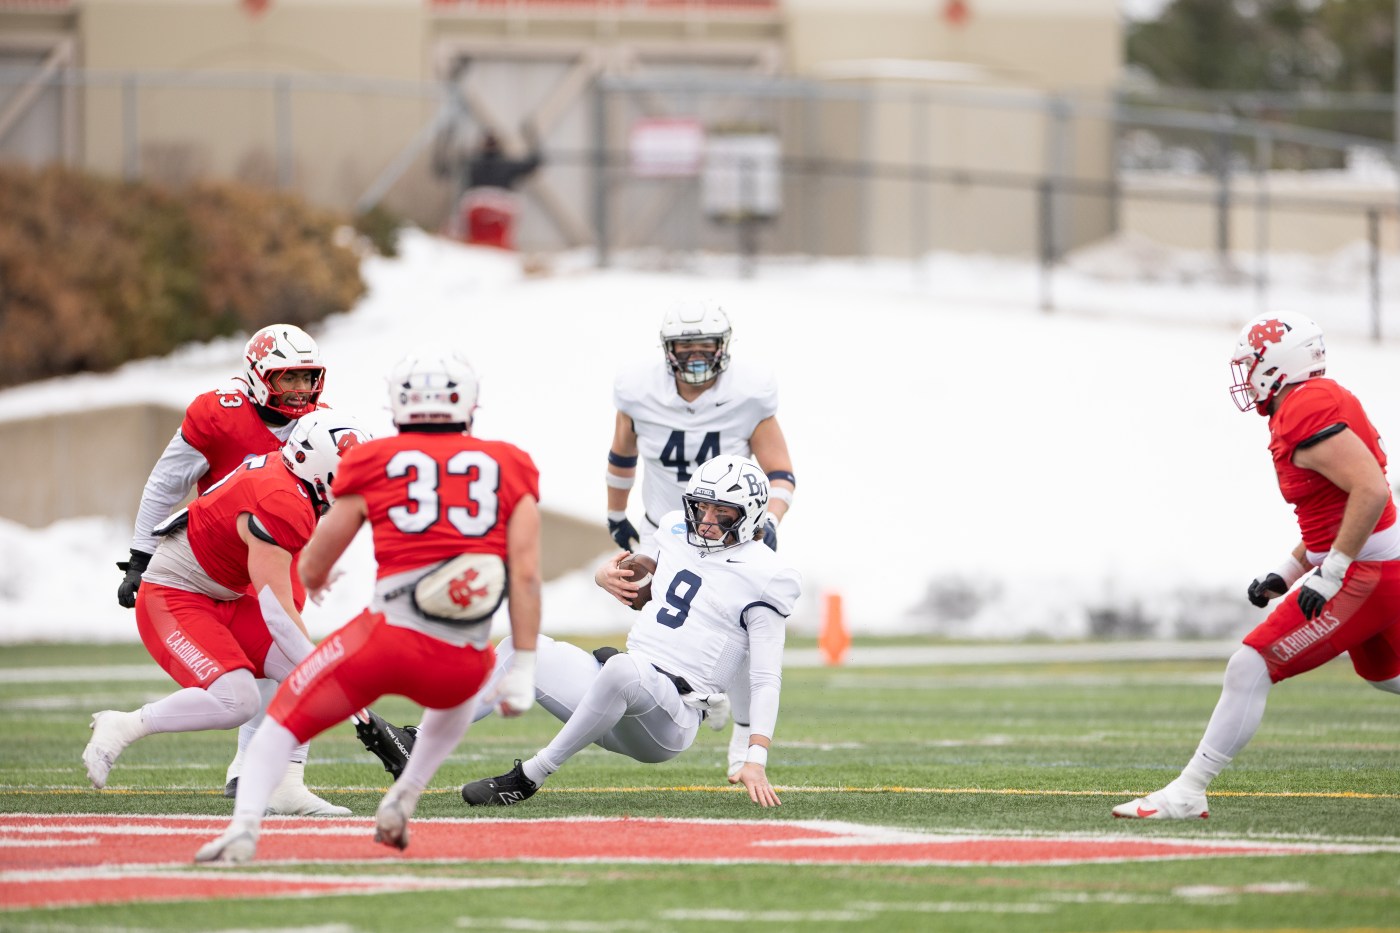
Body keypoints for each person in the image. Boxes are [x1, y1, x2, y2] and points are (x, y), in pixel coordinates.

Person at [195, 350, 541, 864]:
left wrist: (316, 577)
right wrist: (525, 667)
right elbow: (526, 574)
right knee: (456, 701)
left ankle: (243, 828)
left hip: (386, 637)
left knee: (284, 719)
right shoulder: (511, 463)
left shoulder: (372, 460)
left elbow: (316, 559)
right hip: (462, 651)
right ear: (468, 403)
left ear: (399, 405)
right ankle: (403, 798)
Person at [1113, 311, 1400, 821]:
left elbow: (1372, 492)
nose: (1246, 377)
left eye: (1251, 364)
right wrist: (1287, 572)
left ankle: (1188, 791)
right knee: (1387, 675)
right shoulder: (1318, 399)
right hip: (1379, 564)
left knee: (1250, 665)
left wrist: (1332, 572)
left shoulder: (1305, 408)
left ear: (1276, 363)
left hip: (1368, 571)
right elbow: (1334, 512)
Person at [112, 324, 416, 802]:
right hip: (222, 548)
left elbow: (340, 501)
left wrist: (320, 561)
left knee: (287, 652)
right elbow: (167, 482)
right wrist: (139, 555)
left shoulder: (322, 426)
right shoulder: (219, 414)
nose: (300, 390)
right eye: (287, 377)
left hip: (280, 546)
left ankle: (260, 771)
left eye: (307, 378)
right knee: (274, 658)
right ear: (257, 375)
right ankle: (261, 770)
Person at [460, 454, 800, 810]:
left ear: (751, 515)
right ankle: (425, 744)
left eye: (722, 513)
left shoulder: (769, 575)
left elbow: (765, 678)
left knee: (625, 669)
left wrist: (756, 758)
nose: (706, 521)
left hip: (668, 719)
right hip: (616, 691)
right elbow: (639, 575)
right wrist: (603, 577)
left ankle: (529, 776)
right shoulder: (674, 529)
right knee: (518, 649)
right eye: (702, 507)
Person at [84, 410, 373, 816]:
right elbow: (278, 616)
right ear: (315, 463)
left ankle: (284, 785)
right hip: (173, 596)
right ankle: (125, 725)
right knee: (239, 699)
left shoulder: (291, 480)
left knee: (302, 672)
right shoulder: (282, 501)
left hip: (222, 597)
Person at [605, 299, 797, 777]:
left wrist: (770, 520)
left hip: (731, 532)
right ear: (667, 349)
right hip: (665, 527)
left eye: (705, 345)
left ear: (723, 347)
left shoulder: (749, 393)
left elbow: (781, 472)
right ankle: (693, 693)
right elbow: (622, 457)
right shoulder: (637, 390)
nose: (695, 356)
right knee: (655, 615)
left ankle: (744, 732)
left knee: (740, 628)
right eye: (684, 346)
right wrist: (615, 512)